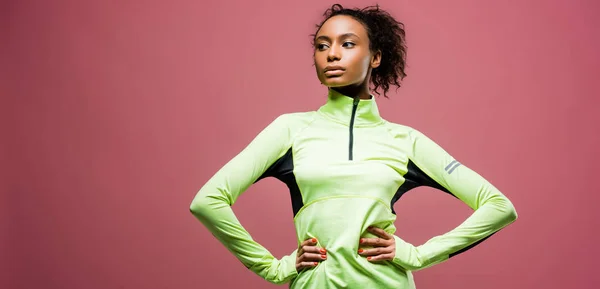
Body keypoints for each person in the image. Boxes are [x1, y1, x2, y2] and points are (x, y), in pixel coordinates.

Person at [189, 3, 518, 289]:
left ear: (375, 57)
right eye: (322, 46)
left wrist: (417, 255)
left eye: (347, 44)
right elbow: (208, 201)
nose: (331, 54)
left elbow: (498, 207)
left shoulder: (405, 141)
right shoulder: (289, 130)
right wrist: (274, 268)